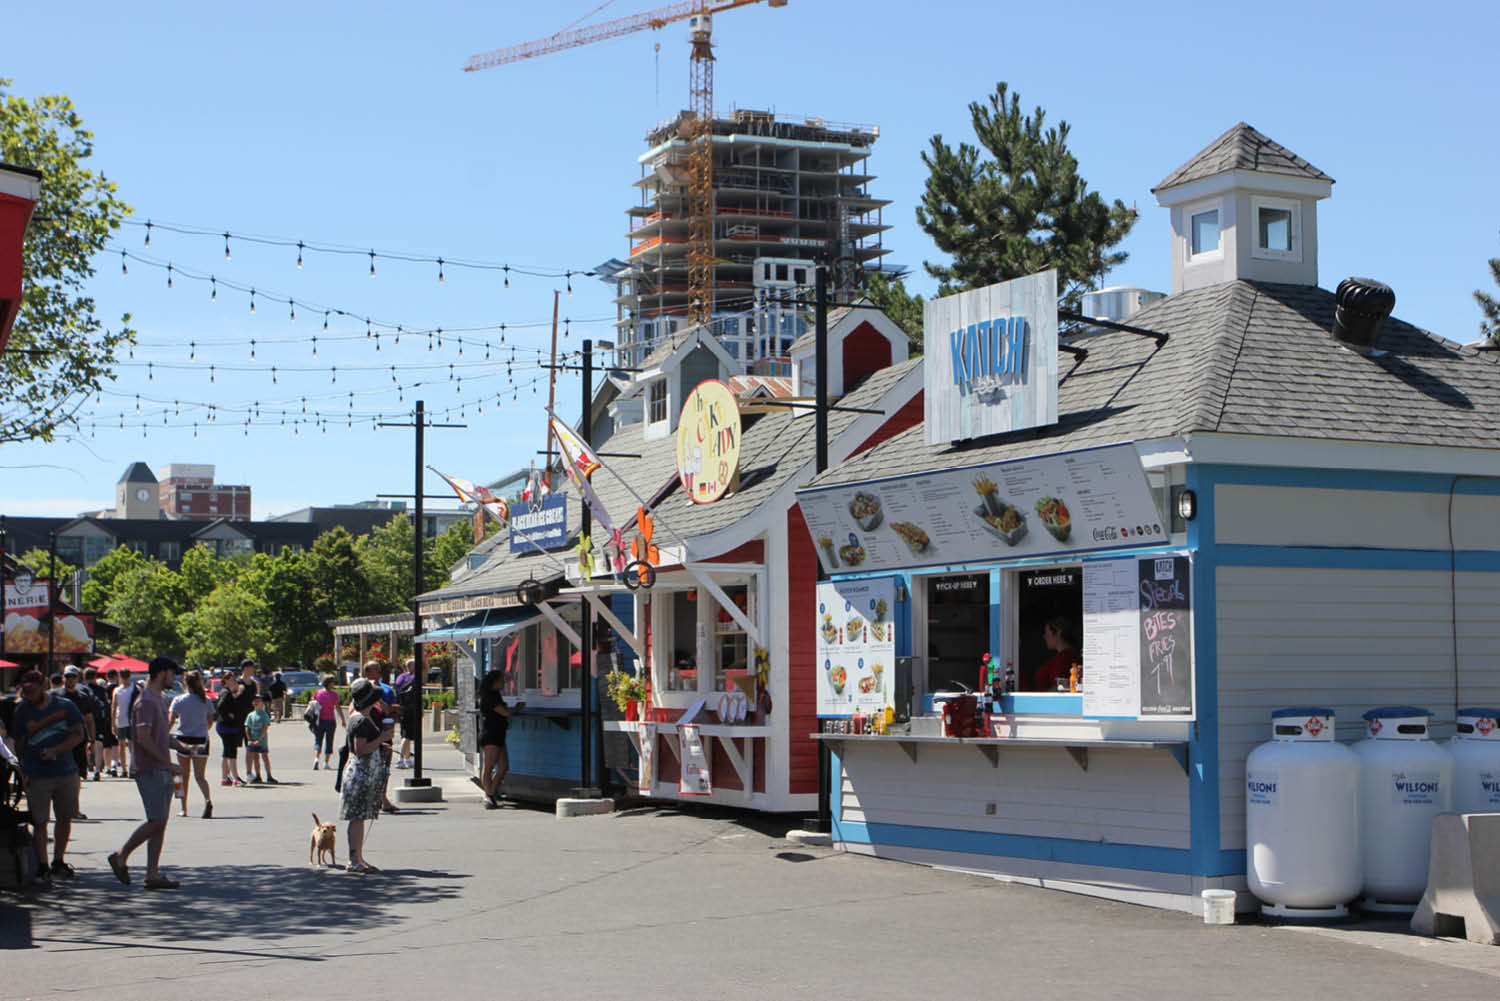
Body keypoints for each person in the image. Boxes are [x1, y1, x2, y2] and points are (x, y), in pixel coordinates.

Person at [109, 656, 192, 891]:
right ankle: (121, 855)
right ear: (161, 673)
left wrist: (183, 747)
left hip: (162, 769)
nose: (175, 678)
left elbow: (162, 736)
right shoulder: (144, 702)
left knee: (161, 822)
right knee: (155, 820)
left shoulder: (161, 699)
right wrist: (166, 763)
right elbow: (144, 739)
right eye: (172, 673)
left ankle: (152, 874)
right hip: (149, 770)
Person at [11, 669, 86, 882]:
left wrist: (57, 750)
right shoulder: (21, 710)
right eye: (24, 691)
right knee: (40, 821)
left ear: (43, 685)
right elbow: (18, 742)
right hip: (36, 773)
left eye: (32, 690)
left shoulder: (65, 706)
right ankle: (42, 865)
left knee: (64, 817)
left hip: (65, 771)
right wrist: (22, 769)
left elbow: (79, 734)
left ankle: (58, 861)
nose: (28, 695)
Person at [339, 678, 390, 873]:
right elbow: (360, 749)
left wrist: (379, 742)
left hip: (363, 772)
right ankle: (354, 859)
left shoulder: (360, 717)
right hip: (360, 772)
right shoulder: (360, 720)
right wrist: (381, 739)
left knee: (360, 816)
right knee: (357, 817)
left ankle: (359, 857)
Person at [168, 669, 215, 818]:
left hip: (183, 740)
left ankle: (183, 808)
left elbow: (170, 721)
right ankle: (207, 799)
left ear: (185, 683)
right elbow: (210, 721)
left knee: (181, 776)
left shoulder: (179, 700)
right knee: (200, 776)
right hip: (201, 740)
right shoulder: (205, 700)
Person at [355, 661, 400, 814]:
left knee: (385, 768)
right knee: (366, 767)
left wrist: (377, 698)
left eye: (379, 670)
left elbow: (390, 711)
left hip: (383, 733)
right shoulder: (359, 687)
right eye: (375, 670)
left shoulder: (385, 689)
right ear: (367, 672)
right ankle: (371, 798)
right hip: (365, 735)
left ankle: (382, 797)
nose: (379, 673)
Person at [477, 669, 523, 809]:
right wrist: (517, 708)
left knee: (503, 766)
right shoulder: (489, 696)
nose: (505, 682)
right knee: (488, 766)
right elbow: (505, 712)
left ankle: (492, 791)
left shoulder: (496, 694)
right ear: (495, 682)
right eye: (502, 680)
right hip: (490, 733)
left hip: (499, 733)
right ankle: (488, 795)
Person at [57, 667, 98, 820]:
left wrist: (92, 740)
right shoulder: (55, 696)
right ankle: (61, 808)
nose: (70, 679)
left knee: (76, 776)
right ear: (63, 677)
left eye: (73, 677)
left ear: (78, 678)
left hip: (78, 741)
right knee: (58, 775)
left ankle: (74, 809)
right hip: (59, 741)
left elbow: (89, 719)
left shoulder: (82, 697)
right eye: (68, 676)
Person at [1032, 616, 1083, 692]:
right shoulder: (1066, 655)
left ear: (1058, 632)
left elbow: (1059, 687)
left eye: (1047, 633)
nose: (1044, 637)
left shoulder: (1065, 657)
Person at [215, 674, 248, 786]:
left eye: (235, 679)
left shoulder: (227, 692)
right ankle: (235, 778)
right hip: (227, 727)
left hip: (224, 726)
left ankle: (225, 778)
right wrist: (228, 715)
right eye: (232, 680)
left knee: (226, 752)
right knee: (232, 752)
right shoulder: (225, 692)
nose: (234, 681)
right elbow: (220, 706)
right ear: (226, 681)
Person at [84, 667, 113, 781]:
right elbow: (105, 706)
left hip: (85, 719)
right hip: (99, 720)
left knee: (84, 743)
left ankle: (85, 768)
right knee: (98, 744)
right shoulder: (101, 690)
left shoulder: (82, 689)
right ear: (95, 677)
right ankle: (97, 770)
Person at [311, 674, 344, 770]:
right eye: (333, 682)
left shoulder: (318, 693)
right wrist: (343, 719)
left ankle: (316, 759)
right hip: (330, 720)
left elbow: (313, 704)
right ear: (330, 684)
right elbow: (338, 707)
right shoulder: (334, 695)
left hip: (319, 720)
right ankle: (326, 762)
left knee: (318, 740)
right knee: (329, 741)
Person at [244, 694, 276, 784]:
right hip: (253, 740)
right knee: (255, 758)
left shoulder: (264, 715)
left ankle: (269, 776)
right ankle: (258, 775)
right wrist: (249, 739)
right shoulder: (251, 715)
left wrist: (259, 739)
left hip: (262, 741)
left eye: (259, 701)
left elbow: (265, 727)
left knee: (265, 757)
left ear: (262, 703)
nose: (256, 702)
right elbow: (247, 727)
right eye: (255, 701)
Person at [111, 671, 136, 778]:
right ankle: (128, 768)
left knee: (126, 745)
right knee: (126, 745)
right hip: (124, 720)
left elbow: (113, 707)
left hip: (126, 720)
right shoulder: (120, 690)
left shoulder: (130, 689)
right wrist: (113, 723)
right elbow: (114, 707)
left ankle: (128, 768)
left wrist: (112, 723)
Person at [393, 658, 417, 769]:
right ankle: (401, 759)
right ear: (411, 666)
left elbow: (397, 691)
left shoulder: (400, 677)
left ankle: (407, 759)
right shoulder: (413, 678)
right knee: (407, 736)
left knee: (405, 734)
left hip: (402, 708)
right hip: (411, 709)